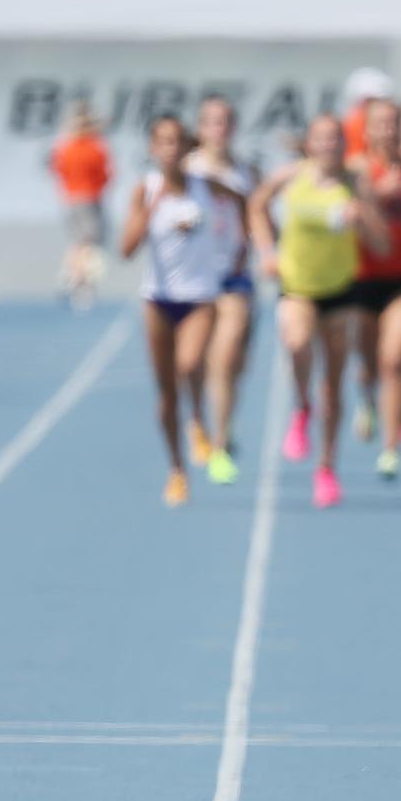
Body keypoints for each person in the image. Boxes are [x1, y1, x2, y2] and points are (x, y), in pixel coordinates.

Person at [249, 114, 389, 507]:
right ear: (309, 144)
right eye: (321, 139)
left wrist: (362, 220)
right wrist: (265, 251)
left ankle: (326, 466)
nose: (329, 145)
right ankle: (301, 407)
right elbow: (256, 204)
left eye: (335, 139)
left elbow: (382, 246)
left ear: (344, 145)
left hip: (341, 289)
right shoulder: (290, 176)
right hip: (297, 286)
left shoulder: (354, 183)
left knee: (333, 379)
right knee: (296, 343)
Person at [120, 115, 243, 507]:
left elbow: (244, 201)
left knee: (189, 365)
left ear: (187, 149)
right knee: (165, 394)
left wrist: (242, 246)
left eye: (177, 142)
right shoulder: (146, 190)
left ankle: (198, 423)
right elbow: (126, 249)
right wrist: (151, 208)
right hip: (158, 299)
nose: (171, 150)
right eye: (163, 143)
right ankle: (176, 470)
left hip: (200, 298)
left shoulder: (205, 187)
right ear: (154, 150)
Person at [349, 98, 401, 480]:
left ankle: (391, 448)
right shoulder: (358, 169)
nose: (388, 130)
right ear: (366, 131)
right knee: (368, 364)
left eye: (393, 123)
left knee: (393, 360)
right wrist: (378, 193)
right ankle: (366, 401)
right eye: (379, 124)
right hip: (362, 278)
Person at [185, 96, 258, 484]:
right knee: (200, 361)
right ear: (200, 129)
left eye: (226, 120)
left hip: (235, 276)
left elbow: (258, 219)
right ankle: (212, 434)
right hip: (194, 280)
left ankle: (222, 435)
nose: (220, 129)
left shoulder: (246, 171)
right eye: (212, 121)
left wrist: (263, 247)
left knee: (231, 360)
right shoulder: (186, 170)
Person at [50, 101, 111, 312]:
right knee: (88, 243)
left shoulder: (65, 148)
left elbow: (58, 170)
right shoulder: (94, 149)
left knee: (76, 241)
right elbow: (105, 175)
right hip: (88, 198)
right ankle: (81, 283)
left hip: (69, 198)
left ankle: (70, 274)